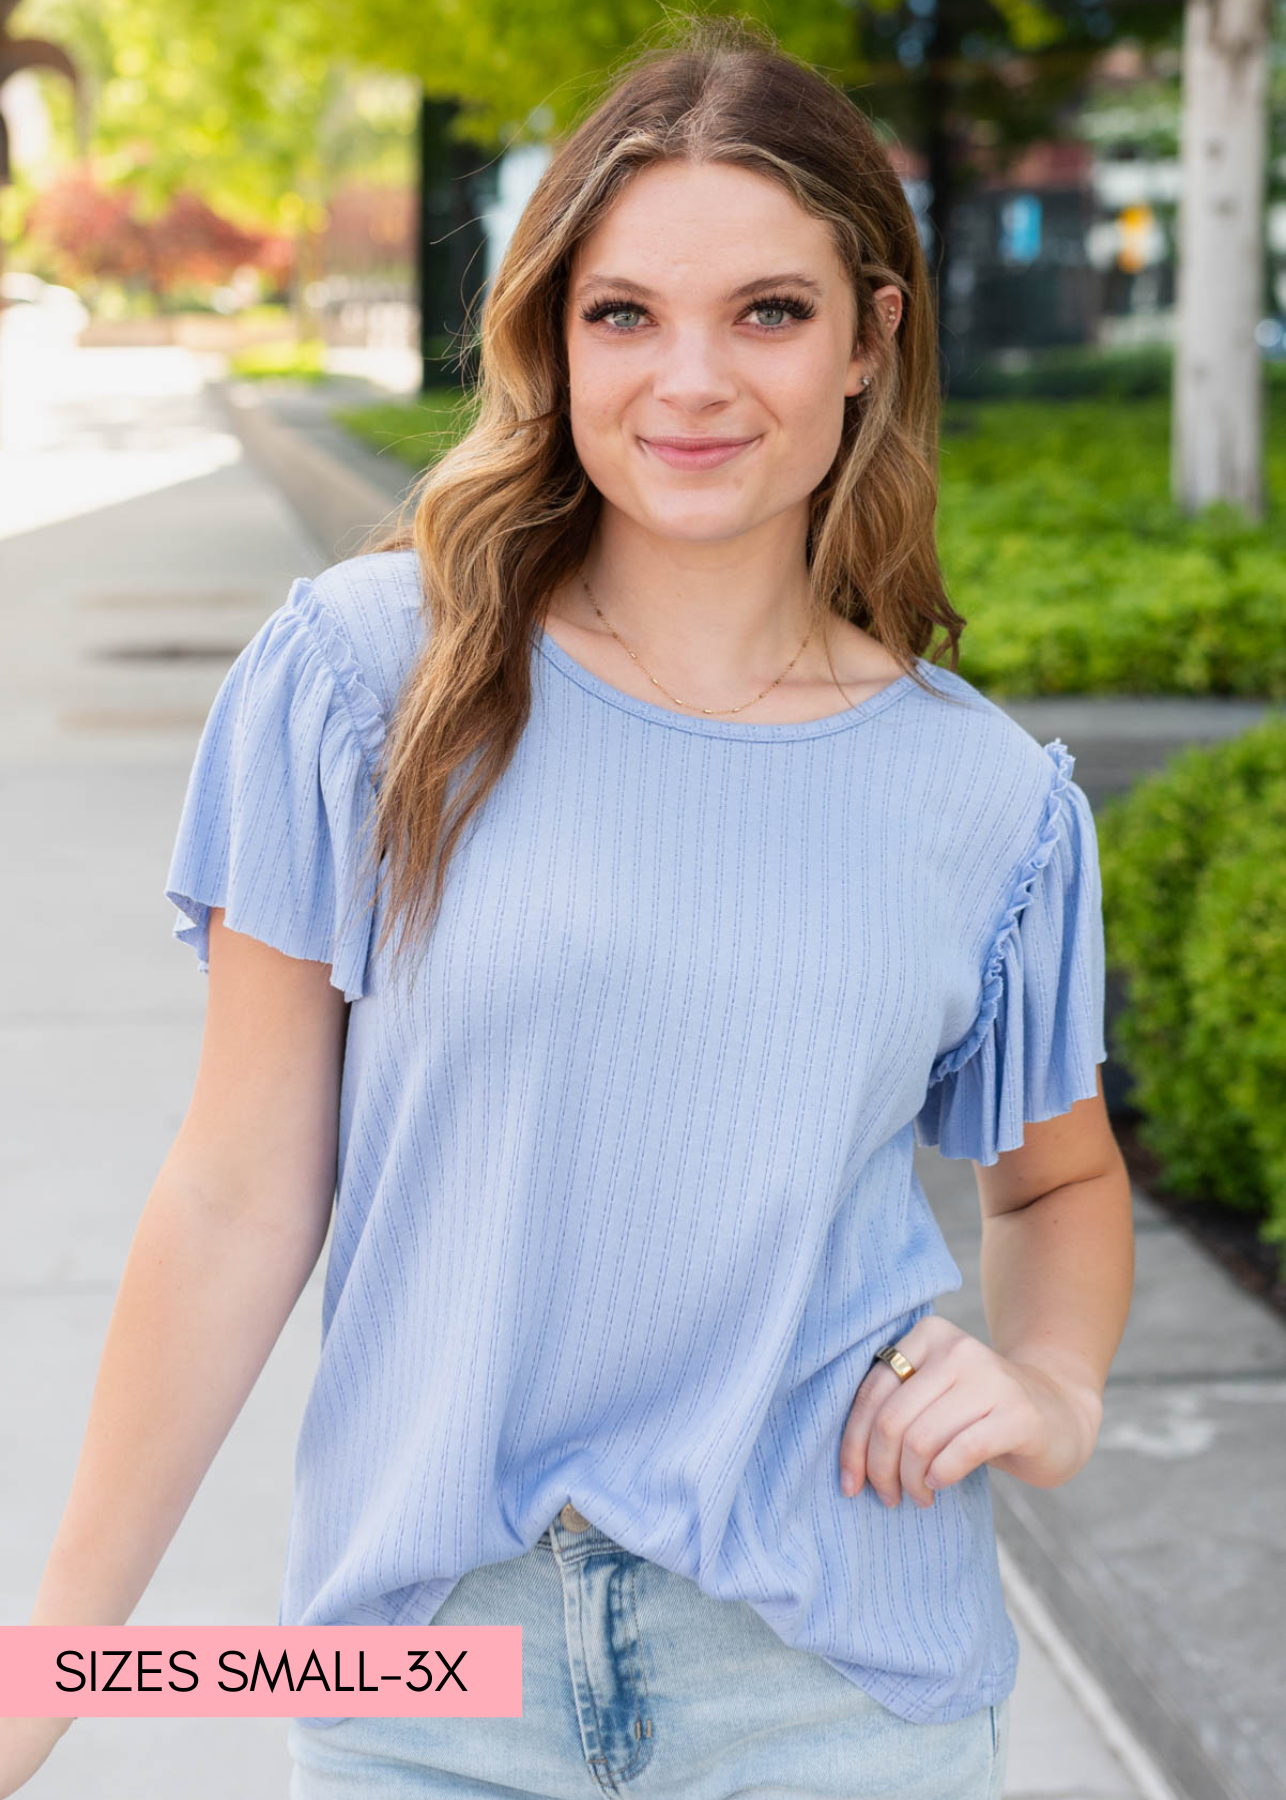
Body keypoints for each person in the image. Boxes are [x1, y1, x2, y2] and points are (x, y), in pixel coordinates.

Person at [3, 14, 1134, 1800]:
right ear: (551, 338)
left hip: (835, 1688)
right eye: (624, 314)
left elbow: (1057, 1178)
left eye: (766, 310)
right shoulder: (364, 683)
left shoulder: (981, 800)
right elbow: (233, 1198)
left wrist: (1055, 1383)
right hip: (427, 1671)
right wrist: (52, 1661)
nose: (690, 378)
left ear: (869, 336)